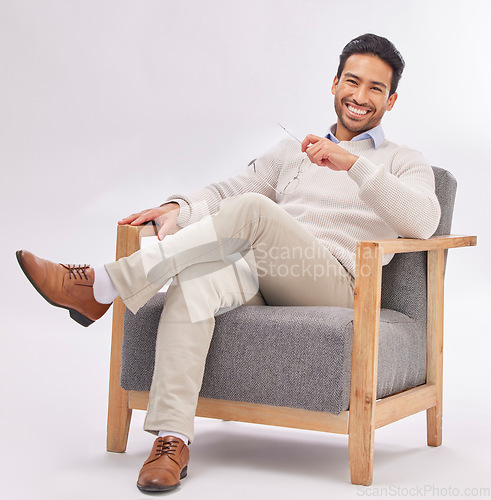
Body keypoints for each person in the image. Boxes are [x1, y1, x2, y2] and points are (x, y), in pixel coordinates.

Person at [16, 33, 441, 494]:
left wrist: (352, 164)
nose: (360, 97)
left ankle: (103, 286)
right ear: (335, 83)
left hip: (335, 282)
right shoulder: (293, 153)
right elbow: (226, 193)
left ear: (391, 100)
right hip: (266, 271)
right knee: (195, 281)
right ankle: (172, 440)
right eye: (352, 82)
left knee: (254, 213)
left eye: (375, 89)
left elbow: (424, 220)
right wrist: (178, 208)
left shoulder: (402, 161)